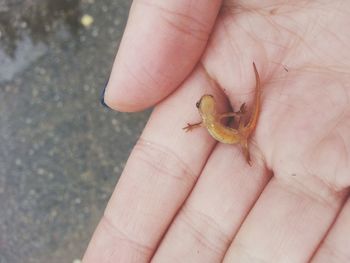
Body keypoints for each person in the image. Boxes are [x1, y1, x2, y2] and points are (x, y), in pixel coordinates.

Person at [83, 1, 350, 262]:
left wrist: (214, 122)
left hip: (240, 136)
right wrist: (235, 116)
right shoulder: (212, 121)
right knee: (243, 131)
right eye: (202, 105)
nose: (203, 105)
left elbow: (217, 121)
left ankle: (247, 153)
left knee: (245, 131)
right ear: (203, 112)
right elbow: (224, 119)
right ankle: (246, 152)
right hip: (238, 135)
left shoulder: (208, 121)